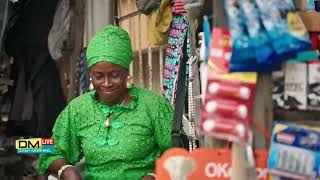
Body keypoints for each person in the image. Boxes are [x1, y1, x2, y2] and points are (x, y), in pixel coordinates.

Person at [38, 25, 173, 180]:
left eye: (114, 75)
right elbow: (49, 148)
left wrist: (154, 175)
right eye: (99, 76)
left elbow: (177, 152)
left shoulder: (153, 105)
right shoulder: (78, 108)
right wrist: (66, 170)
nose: (107, 83)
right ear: (90, 75)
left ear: (126, 73)